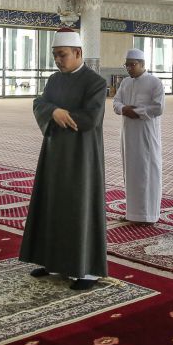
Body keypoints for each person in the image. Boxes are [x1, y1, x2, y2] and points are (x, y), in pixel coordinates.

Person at [20, 28, 108, 291]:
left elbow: (90, 119)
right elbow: (40, 103)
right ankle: (52, 261)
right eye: (55, 56)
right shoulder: (54, 80)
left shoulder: (95, 82)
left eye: (62, 55)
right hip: (54, 153)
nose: (58, 60)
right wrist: (54, 111)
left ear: (78, 53)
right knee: (52, 205)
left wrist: (59, 114)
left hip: (82, 156)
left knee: (78, 206)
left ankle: (86, 270)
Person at [112, 49, 164, 224]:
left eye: (132, 65)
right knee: (131, 172)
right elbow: (116, 102)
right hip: (128, 134)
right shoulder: (125, 82)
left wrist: (136, 112)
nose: (129, 68)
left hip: (146, 135)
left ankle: (149, 215)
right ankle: (132, 214)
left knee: (147, 173)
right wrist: (123, 109)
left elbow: (158, 108)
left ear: (143, 64)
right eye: (126, 65)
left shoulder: (155, 83)